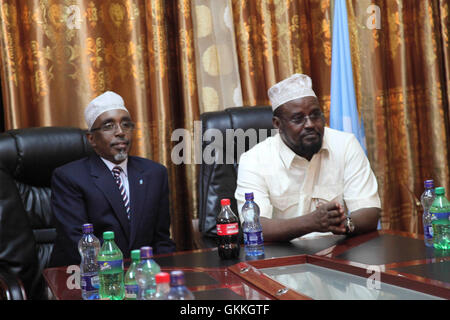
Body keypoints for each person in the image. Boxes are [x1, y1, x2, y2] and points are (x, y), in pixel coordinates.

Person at [235, 74, 381, 242]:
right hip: (281, 260)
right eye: (298, 119)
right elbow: (254, 226)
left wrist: (345, 224)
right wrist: (311, 222)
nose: (310, 124)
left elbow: (369, 210)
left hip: (337, 254)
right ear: (278, 124)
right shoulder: (254, 160)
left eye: (315, 115)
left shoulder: (345, 145)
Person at [49, 91, 175, 267]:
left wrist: (163, 279)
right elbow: (77, 244)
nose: (120, 132)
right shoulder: (69, 178)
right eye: (109, 126)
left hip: (142, 278)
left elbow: (162, 241)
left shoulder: (155, 173)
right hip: (87, 277)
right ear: (91, 139)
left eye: (126, 125)